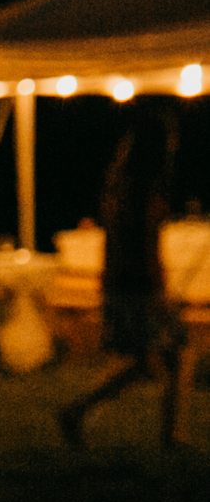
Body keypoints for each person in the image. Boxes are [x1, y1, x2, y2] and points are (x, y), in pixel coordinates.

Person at [58, 112, 180, 448]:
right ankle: (79, 410)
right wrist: (159, 290)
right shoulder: (145, 191)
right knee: (155, 361)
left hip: (117, 283)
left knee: (160, 360)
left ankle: (169, 437)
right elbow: (147, 244)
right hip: (139, 286)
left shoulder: (118, 186)